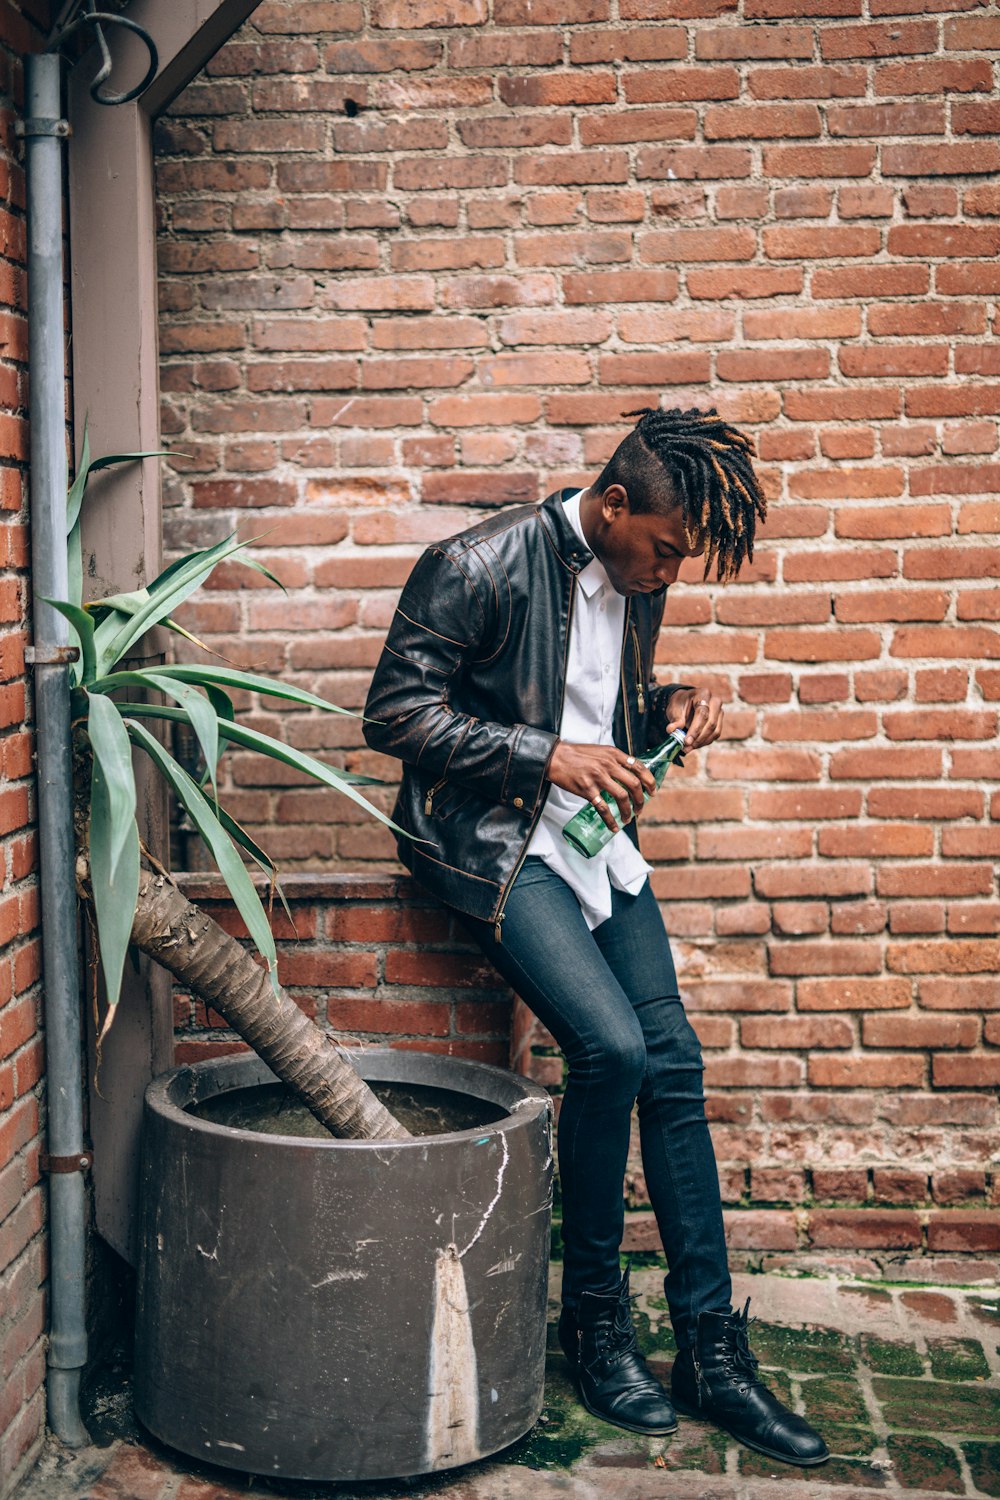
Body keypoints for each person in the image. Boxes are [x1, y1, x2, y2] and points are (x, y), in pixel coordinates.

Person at [363, 405, 828, 1468]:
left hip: (590, 842)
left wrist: (668, 704)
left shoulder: (633, 579)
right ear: (612, 505)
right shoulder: (473, 566)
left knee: (672, 1064)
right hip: (489, 843)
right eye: (664, 549)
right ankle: (596, 1320)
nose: (668, 573)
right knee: (610, 1051)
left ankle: (710, 1350)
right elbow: (395, 715)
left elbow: (591, 701)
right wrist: (545, 758)